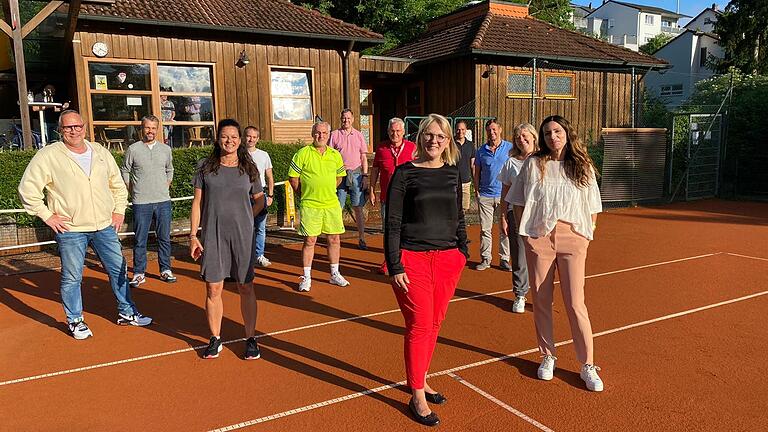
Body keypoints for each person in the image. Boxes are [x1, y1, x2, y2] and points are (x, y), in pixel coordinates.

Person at [18, 110, 152, 340]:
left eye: (78, 126)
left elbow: (117, 185)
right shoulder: (48, 155)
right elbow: (27, 189)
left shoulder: (100, 152)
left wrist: (119, 210)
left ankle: (126, 312)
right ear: (60, 130)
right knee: (72, 277)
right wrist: (47, 216)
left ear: (85, 127)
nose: (74, 131)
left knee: (118, 270)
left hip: (104, 226)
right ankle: (75, 320)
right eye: (68, 127)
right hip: (71, 230)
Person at [510, 115, 604, 392]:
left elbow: (593, 204)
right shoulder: (534, 163)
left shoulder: (582, 166)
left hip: (573, 238)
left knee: (576, 302)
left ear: (567, 133)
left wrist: (586, 235)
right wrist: (525, 236)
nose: (553, 136)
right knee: (541, 300)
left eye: (557, 131)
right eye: (548, 133)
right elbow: (516, 200)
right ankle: (547, 355)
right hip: (539, 238)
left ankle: (588, 364)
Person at [385, 114, 468, 427]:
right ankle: (416, 394)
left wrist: (462, 251)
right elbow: (392, 221)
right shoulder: (405, 173)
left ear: (448, 141)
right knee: (420, 323)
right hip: (412, 258)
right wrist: (395, 263)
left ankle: (419, 379)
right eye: (429, 135)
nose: (434, 141)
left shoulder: (452, 172)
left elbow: (458, 214)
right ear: (419, 138)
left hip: (448, 259)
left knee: (434, 322)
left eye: (441, 136)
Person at [189, 119, 265, 360]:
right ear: (218, 138)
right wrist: (193, 236)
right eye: (224, 136)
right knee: (214, 287)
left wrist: (247, 217)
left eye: (234, 136)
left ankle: (251, 338)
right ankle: (215, 339)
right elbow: (197, 203)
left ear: (240, 140)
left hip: (243, 236)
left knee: (245, 286)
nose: (229, 140)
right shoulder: (205, 167)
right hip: (213, 235)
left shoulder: (248, 167)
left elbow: (260, 199)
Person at [288, 121, 350, 292]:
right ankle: (306, 277)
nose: (321, 136)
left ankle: (334, 274)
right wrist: (307, 193)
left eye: (324, 133)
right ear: (312, 134)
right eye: (317, 132)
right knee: (310, 240)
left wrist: (326, 189)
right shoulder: (302, 153)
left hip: (331, 204)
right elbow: (293, 179)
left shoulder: (335, 155)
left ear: (329, 135)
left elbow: (339, 178)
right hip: (310, 205)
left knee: (334, 239)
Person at [121, 115, 176, 288]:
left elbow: (170, 169)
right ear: (141, 128)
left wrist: (165, 185)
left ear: (157, 129)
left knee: (164, 238)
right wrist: (132, 190)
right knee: (140, 239)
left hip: (163, 201)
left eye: (153, 128)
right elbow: (125, 170)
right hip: (141, 202)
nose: (150, 131)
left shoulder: (165, 149)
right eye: (147, 128)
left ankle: (165, 269)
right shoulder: (133, 149)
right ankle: (138, 273)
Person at [497, 123, 537, 314]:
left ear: (534, 136)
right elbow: (504, 193)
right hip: (516, 214)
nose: (521, 140)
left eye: (524, 135)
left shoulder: (544, 159)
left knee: (541, 256)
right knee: (520, 256)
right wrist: (503, 217)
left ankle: (541, 294)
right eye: (518, 137)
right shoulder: (510, 163)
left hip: (539, 215)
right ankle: (520, 294)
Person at [369, 118, 416, 274]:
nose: (395, 134)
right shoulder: (381, 148)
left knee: (406, 230)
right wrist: (371, 189)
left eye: (398, 131)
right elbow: (375, 169)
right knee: (389, 232)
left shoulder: (412, 148)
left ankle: (406, 261)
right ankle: (389, 262)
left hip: (407, 198)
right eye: (392, 131)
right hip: (387, 198)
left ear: (403, 132)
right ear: (388, 131)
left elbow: (419, 170)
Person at [473, 118, 512, 271]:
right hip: (486, 196)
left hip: (505, 196)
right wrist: (477, 191)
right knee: (485, 229)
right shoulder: (481, 151)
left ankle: (504, 259)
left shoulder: (510, 148)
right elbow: (476, 173)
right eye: (489, 130)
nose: (492, 132)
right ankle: (486, 258)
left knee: (505, 228)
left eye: (494, 129)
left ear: (500, 130)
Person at [329, 109, 369, 250]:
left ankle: (362, 238)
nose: (346, 120)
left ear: (352, 119)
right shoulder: (334, 134)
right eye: (343, 118)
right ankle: (336, 239)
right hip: (339, 175)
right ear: (341, 119)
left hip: (357, 174)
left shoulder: (358, 135)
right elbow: (329, 157)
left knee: (358, 207)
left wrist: (365, 176)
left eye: (348, 118)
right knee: (337, 208)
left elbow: (363, 157)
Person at [245, 126, 275, 268]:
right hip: (243, 195)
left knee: (260, 227)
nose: (251, 139)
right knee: (245, 227)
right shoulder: (238, 154)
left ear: (258, 139)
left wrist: (270, 195)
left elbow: (269, 176)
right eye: (248, 136)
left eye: (254, 137)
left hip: (260, 194)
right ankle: (246, 256)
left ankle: (259, 255)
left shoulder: (264, 155)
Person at [454, 120, 475, 213]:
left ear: (466, 130)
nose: (460, 132)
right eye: (458, 129)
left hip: (466, 182)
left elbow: (473, 165)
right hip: (452, 182)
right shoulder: (450, 144)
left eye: (462, 129)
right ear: (455, 130)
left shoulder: (470, 145)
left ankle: (462, 227)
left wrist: (475, 183)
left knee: (464, 209)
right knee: (453, 208)